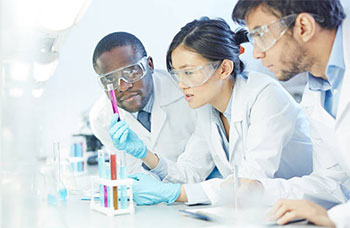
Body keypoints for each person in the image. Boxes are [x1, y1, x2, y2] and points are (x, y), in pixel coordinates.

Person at [112, 17, 313, 206]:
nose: (181, 84)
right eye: (177, 74)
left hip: (309, 209)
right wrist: (144, 153)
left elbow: (247, 183)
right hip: (265, 213)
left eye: (188, 72)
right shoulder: (209, 109)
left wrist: (175, 194)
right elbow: (189, 172)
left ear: (224, 69)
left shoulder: (265, 96)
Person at [231, 0, 350, 227]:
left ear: (303, 26)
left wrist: (336, 218)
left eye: (261, 34)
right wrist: (259, 189)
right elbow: (334, 182)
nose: (256, 53)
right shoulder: (317, 91)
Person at [89, 32, 198, 174]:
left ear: (150, 65)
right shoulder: (101, 118)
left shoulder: (186, 90)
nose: (123, 87)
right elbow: (131, 171)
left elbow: (198, 167)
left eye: (131, 72)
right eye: (110, 80)